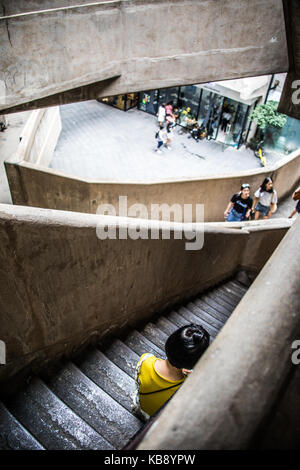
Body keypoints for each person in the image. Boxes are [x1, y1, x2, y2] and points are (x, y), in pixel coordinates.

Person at [132, 324, 210, 419]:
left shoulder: (145, 360)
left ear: (170, 342)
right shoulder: (185, 389)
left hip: (141, 406)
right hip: (156, 418)